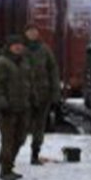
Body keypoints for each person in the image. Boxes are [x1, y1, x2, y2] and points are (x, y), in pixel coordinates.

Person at [0, 35, 32, 180]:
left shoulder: (24, 62)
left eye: (20, 44)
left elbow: (28, 82)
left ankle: (6, 161)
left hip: (22, 106)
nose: (18, 47)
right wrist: (1, 103)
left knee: (20, 138)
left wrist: (33, 98)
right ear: (9, 47)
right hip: (7, 108)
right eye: (15, 45)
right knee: (8, 139)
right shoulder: (2, 63)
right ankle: (5, 170)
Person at [23, 23, 60, 164]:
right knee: (21, 127)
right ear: (25, 34)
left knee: (39, 127)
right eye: (30, 31)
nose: (32, 34)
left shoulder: (45, 50)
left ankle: (35, 154)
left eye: (34, 31)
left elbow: (53, 71)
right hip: (24, 95)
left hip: (42, 94)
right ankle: (9, 154)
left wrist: (55, 93)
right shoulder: (20, 49)